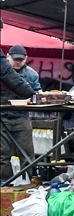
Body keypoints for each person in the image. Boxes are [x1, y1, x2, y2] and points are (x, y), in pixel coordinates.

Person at [1, 44, 42, 182]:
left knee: (27, 154)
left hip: (21, 117)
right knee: (2, 154)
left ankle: (29, 183)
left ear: (26, 59)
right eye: (15, 59)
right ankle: (5, 185)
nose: (18, 62)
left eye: (21, 59)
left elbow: (38, 93)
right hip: (2, 117)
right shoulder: (2, 70)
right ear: (7, 57)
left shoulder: (32, 74)